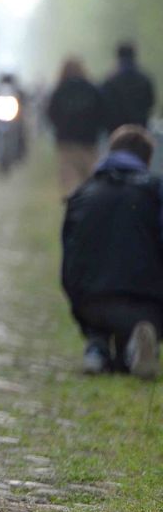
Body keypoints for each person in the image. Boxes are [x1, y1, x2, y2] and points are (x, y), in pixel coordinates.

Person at [62, 125, 162, 378]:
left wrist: (79, 303)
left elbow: (69, 257)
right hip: (144, 304)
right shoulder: (155, 191)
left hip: (91, 302)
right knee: (139, 324)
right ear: (147, 159)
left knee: (100, 327)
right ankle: (134, 349)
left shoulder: (84, 192)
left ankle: (97, 348)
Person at [47, 58, 106, 197]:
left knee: (70, 185)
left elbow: (51, 113)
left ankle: (73, 207)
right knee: (90, 182)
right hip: (89, 143)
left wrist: (60, 128)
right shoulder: (92, 89)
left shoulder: (60, 90)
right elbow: (103, 112)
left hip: (66, 143)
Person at [101, 39, 155, 130]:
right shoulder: (144, 79)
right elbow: (150, 102)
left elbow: (104, 104)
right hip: (139, 128)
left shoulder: (110, 81)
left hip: (116, 130)